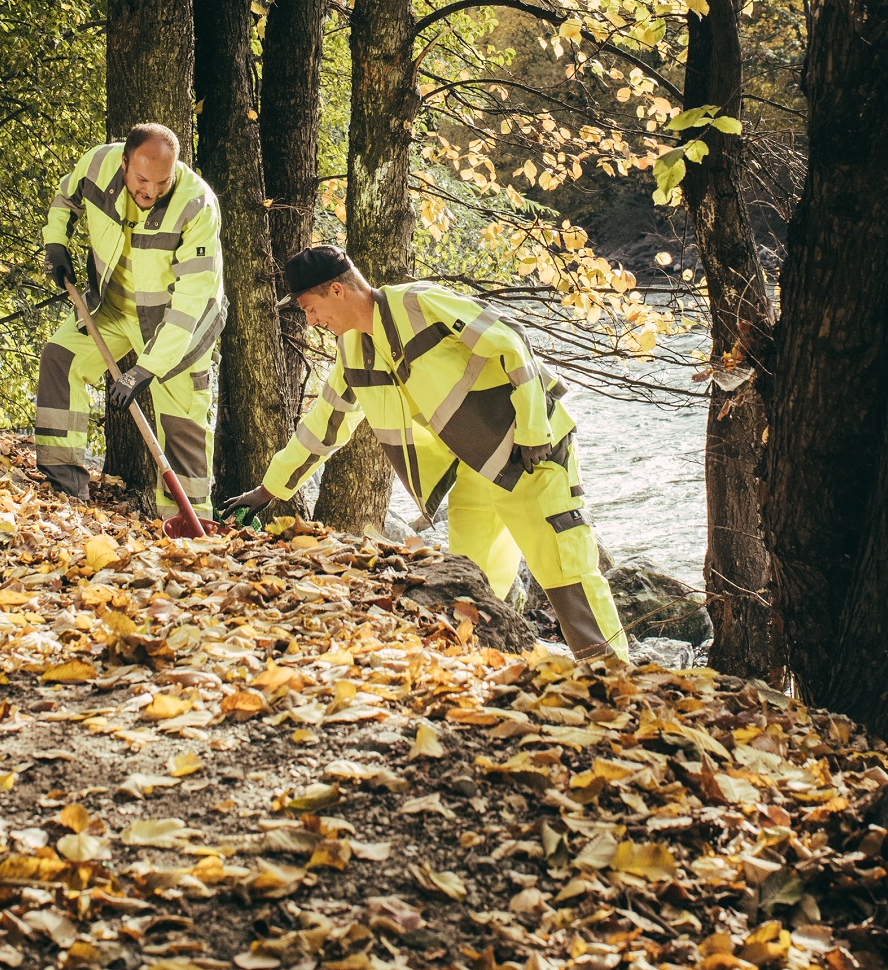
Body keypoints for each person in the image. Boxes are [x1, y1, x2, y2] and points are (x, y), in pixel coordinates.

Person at [222, 245, 627, 662]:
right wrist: (269, 490)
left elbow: (509, 340)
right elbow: (323, 426)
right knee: (471, 584)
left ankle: (617, 680)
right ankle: (484, 677)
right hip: (477, 467)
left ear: (336, 292)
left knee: (566, 575)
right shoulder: (352, 353)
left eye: (310, 308)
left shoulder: (419, 303)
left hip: (532, 454)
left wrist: (533, 427)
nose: (311, 321)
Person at [36, 124, 224, 513]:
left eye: (162, 181)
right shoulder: (97, 165)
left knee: (182, 422)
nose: (150, 191)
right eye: (141, 179)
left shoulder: (196, 206)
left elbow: (191, 301)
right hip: (110, 307)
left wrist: (146, 368)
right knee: (60, 357)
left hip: (175, 326)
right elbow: (64, 199)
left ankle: (187, 524)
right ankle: (64, 489)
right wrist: (55, 243)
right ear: (124, 163)